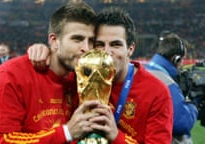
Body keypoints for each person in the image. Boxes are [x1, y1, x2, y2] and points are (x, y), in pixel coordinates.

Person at [28, 7, 173, 144]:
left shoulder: (156, 92)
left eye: (115, 45)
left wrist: (117, 137)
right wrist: (44, 51)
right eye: (99, 44)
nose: (107, 52)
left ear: (130, 49)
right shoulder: (79, 77)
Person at [0, 2, 110, 144]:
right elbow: (0, 141)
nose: (86, 48)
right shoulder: (10, 76)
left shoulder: (83, 79)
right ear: (54, 41)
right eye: (77, 39)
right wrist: (67, 132)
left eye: (91, 41)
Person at [145, 33, 198, 144]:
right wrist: (193, 104)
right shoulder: (167, 82)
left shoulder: (146, 69)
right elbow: (181, 123)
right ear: (175, 59)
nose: (182, 65)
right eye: (182, 60)